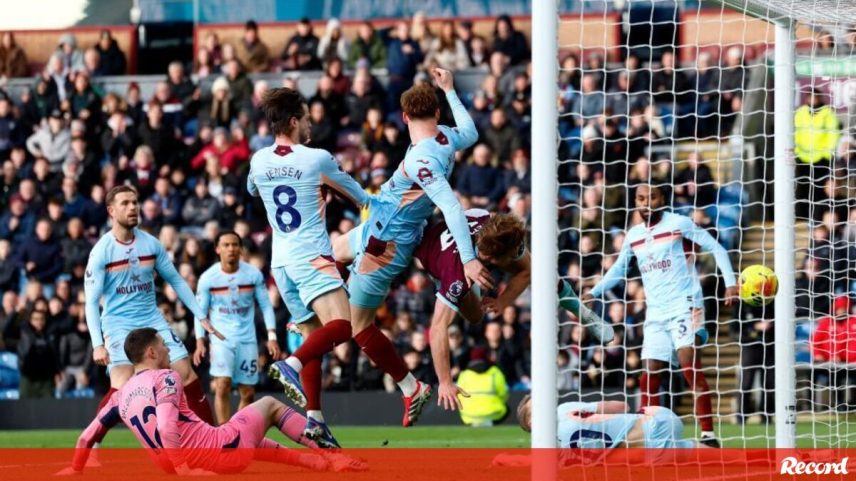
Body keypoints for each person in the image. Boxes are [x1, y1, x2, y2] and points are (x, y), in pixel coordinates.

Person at [331, 68, 490, 426]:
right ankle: (313, 319)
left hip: (385, 246)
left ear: (404, 117)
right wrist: (449, 89)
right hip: (380, 223)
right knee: (329, 254)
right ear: (436, 114)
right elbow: (472, 131)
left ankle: (410, 386)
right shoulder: (446, 137)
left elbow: (450, 207)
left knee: (359, 327)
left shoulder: (422, 160)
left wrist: (467, 259)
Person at [61, 328, 364, 475]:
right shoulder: (166, 378)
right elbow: (166, 424)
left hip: (198, 456)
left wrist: (76, 469)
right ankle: (335, 456)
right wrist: (184, 470)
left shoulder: (120, 396)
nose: (168, 352)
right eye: (164, 347)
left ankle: (314, 462)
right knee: (270, 404)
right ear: (151, 353)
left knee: (246, 432)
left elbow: (87, 437)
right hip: (215, 454)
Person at [249, 87, 368, 447]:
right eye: (307, 116)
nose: (311, 123)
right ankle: (292, 364)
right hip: (311, 255)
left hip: (281, 263)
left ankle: (315, 420)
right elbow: (360, 197)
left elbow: (254, 190)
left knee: (314, 333)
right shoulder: (317, 158)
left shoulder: (258, 159)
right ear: (295, 121)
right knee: (344, 325)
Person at [585, 184, 738, 447]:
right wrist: (594, 291)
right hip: (655, 312)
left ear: (662, 199)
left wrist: (731, 283)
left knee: (688, 364)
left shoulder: (679, 223)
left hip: (685, 305)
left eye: (651, 197)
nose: (646, 203)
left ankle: (709, 435)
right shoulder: (633, 235)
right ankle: (650, 434)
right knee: (649, 374)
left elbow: (717, 248)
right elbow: (619, 270)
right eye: (640, 198)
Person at [414, 210, 612, 410]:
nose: (516, 254)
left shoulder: (500, 236)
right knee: (475, 316)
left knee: (541, 271)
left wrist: (502, 302)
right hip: (438, 256)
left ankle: (582, 312)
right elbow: (438, 327)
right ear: (492, 258)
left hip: (476, 221)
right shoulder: (456, 277)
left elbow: (527, 271)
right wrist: (446, 381)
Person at [83, 184, 219, 443]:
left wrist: (201, 316)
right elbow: (90, 302)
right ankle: (92, 444)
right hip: (119, 324)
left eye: (135, 202)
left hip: (151, 319)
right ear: (111, 211)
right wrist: (97, 345)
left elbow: (177, 281)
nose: (132, 207)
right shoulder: (101, 251)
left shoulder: (151, 244)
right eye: (125, 203)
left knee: (186, 373)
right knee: (122, 386)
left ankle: (213, 441)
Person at [192, 231, 280, 425]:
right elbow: (200, 312)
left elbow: (266, 305)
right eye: (226, 245)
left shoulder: (252, 275)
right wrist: (200, 340)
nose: (231, 249)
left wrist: (272, 335)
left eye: (234, 245)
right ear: (217, 249)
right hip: (221, 340)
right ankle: (225, 434)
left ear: (240, 249)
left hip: (247, 340)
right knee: (222, 385)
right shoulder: (208, 278)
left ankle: (236, 432)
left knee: (248, 393)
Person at [514, 396, 705, 451]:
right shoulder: (564, 409)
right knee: (702, 454)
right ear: (531, 422)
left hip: (652, 448)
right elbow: (622, 406)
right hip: (658, 420)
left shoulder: (556, 454)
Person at [811, 295, 856, 411]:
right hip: (830, 363)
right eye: (839, 309)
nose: (841, 312)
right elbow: (815, 341)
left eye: (843, 309)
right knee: (834, 375)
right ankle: (838, 403)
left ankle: (852, 403)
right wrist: (819, 354)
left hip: (851, 364)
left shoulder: (853, 322)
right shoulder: (826, 322)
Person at [456, 347, 508, 426]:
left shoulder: (464, 374)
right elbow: (504, 394)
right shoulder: (495, 372)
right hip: (493, 414)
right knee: (506, 408)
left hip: (468, 415)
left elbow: (458, 396)